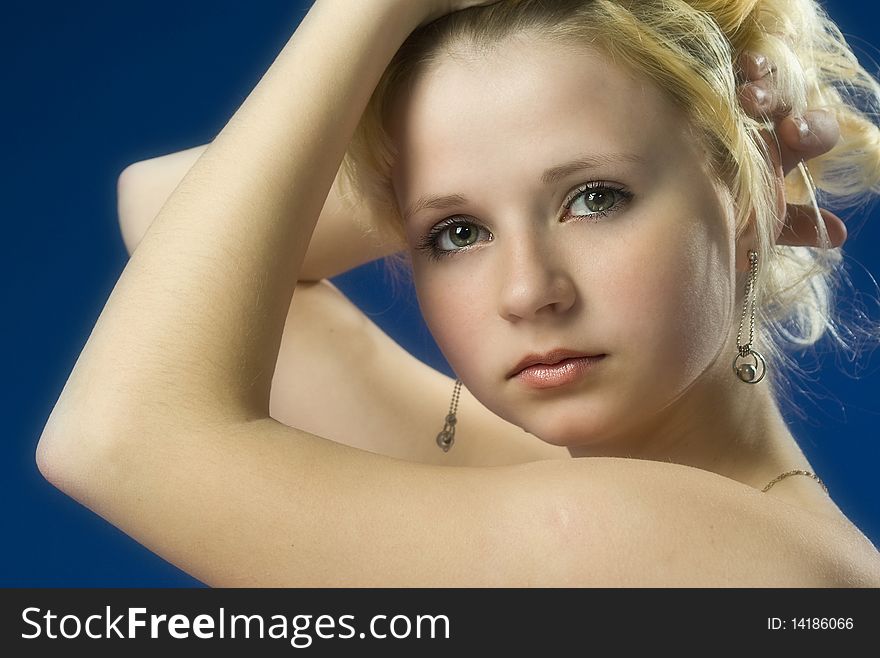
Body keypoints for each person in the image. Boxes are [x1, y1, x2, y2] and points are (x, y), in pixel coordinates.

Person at [36, 0, 880, 586]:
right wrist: (439, 171)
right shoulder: (745, 536)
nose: (526, 291)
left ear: (747, 195)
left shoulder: (696, 556)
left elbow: (113, 439)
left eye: (595, 198)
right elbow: (159, 208)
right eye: (458, 234)